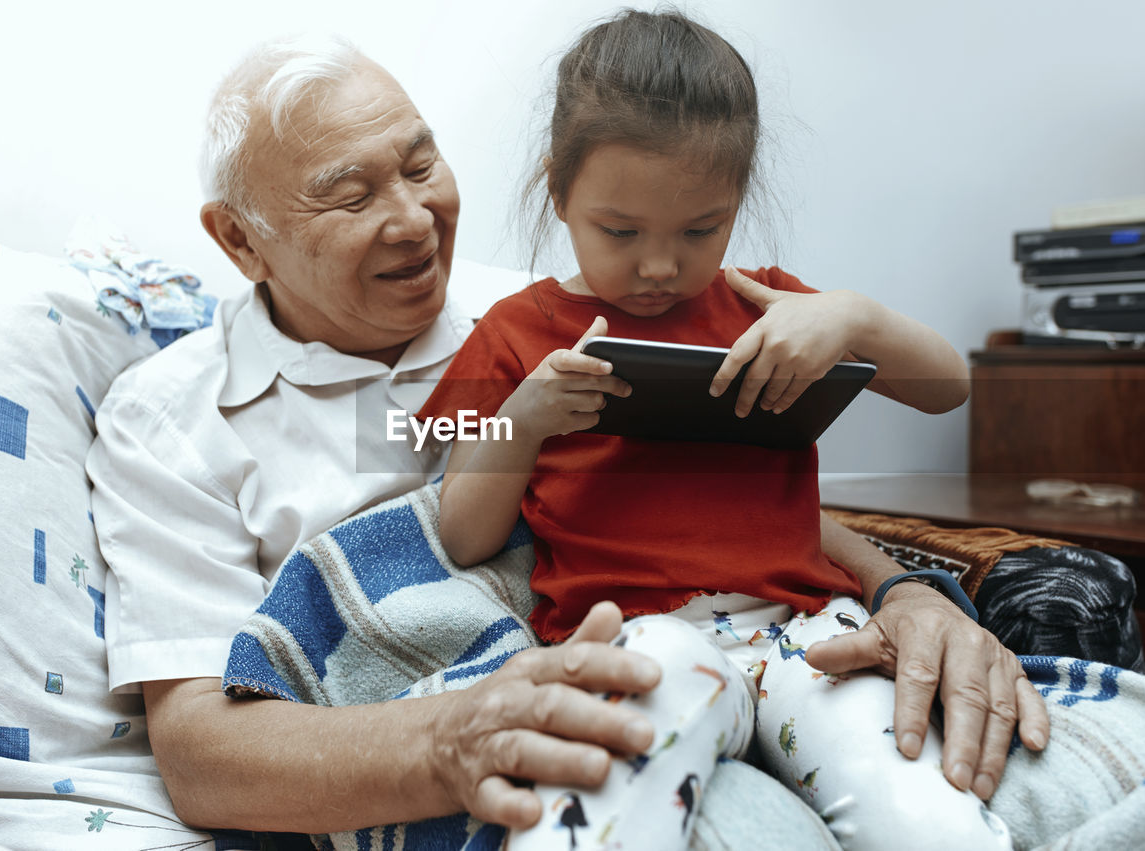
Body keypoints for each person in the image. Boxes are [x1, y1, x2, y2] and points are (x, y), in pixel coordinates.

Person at [85, 28, 1045, 842]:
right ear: (241, 241)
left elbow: (751, 476)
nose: (415, 219)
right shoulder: (184, 416)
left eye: (422, 166)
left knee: (926, 800)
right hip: (578, 673)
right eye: (351, 194)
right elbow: (459, 519)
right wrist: (524, 419)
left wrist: (911, 588)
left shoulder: (558, 303)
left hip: (793, 639)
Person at [420, 10, 1039, 849]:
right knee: (599, 801)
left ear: (737, 202)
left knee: (935, 824)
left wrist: (850, 317)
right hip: (644, 638)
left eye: (700, 230)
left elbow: (948, 388)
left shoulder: (773, 305)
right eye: (621, 231)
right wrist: (523, 421)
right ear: (558, 191)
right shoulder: (512, 331)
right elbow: (462, 534)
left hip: (813, 636)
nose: (660, 266)